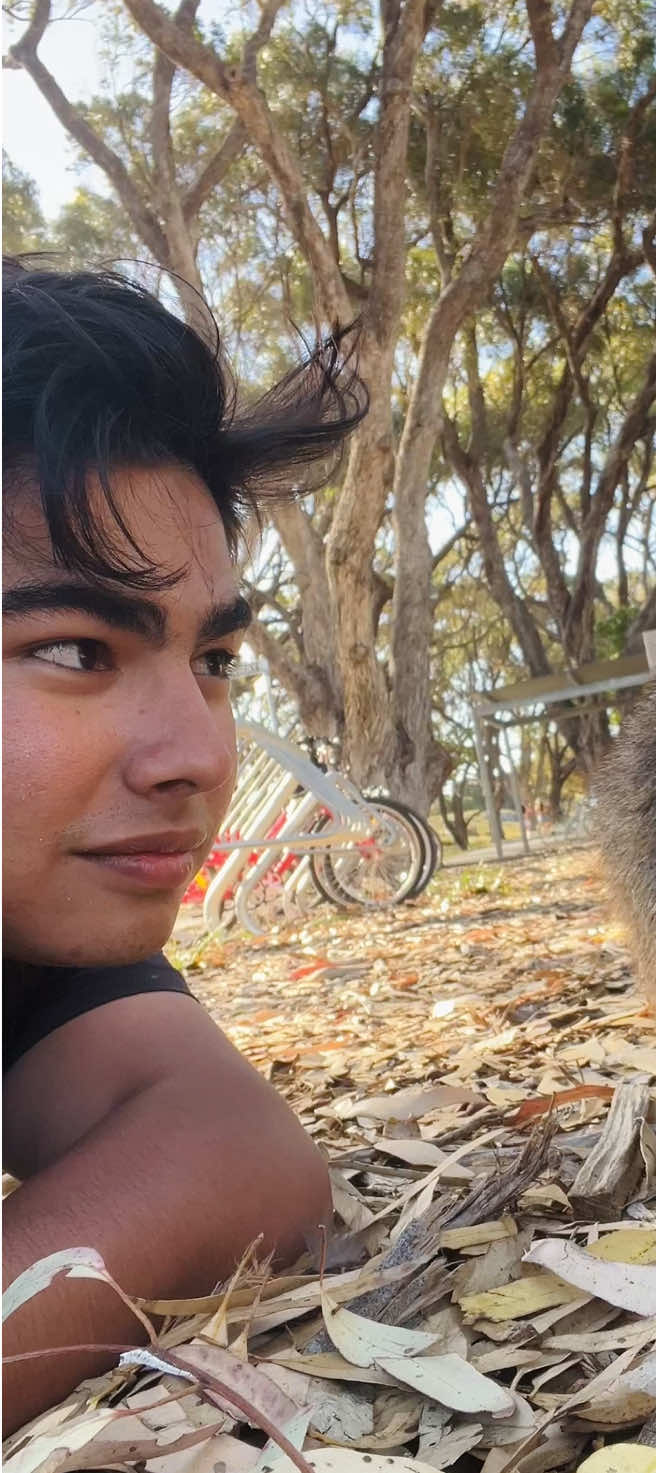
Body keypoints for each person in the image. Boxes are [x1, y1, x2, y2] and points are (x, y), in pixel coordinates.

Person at [2, 258, 368, 1435]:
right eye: (75, 650)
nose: (197, 756)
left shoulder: (37, 925)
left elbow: (231, 1154)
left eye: (210, 663)